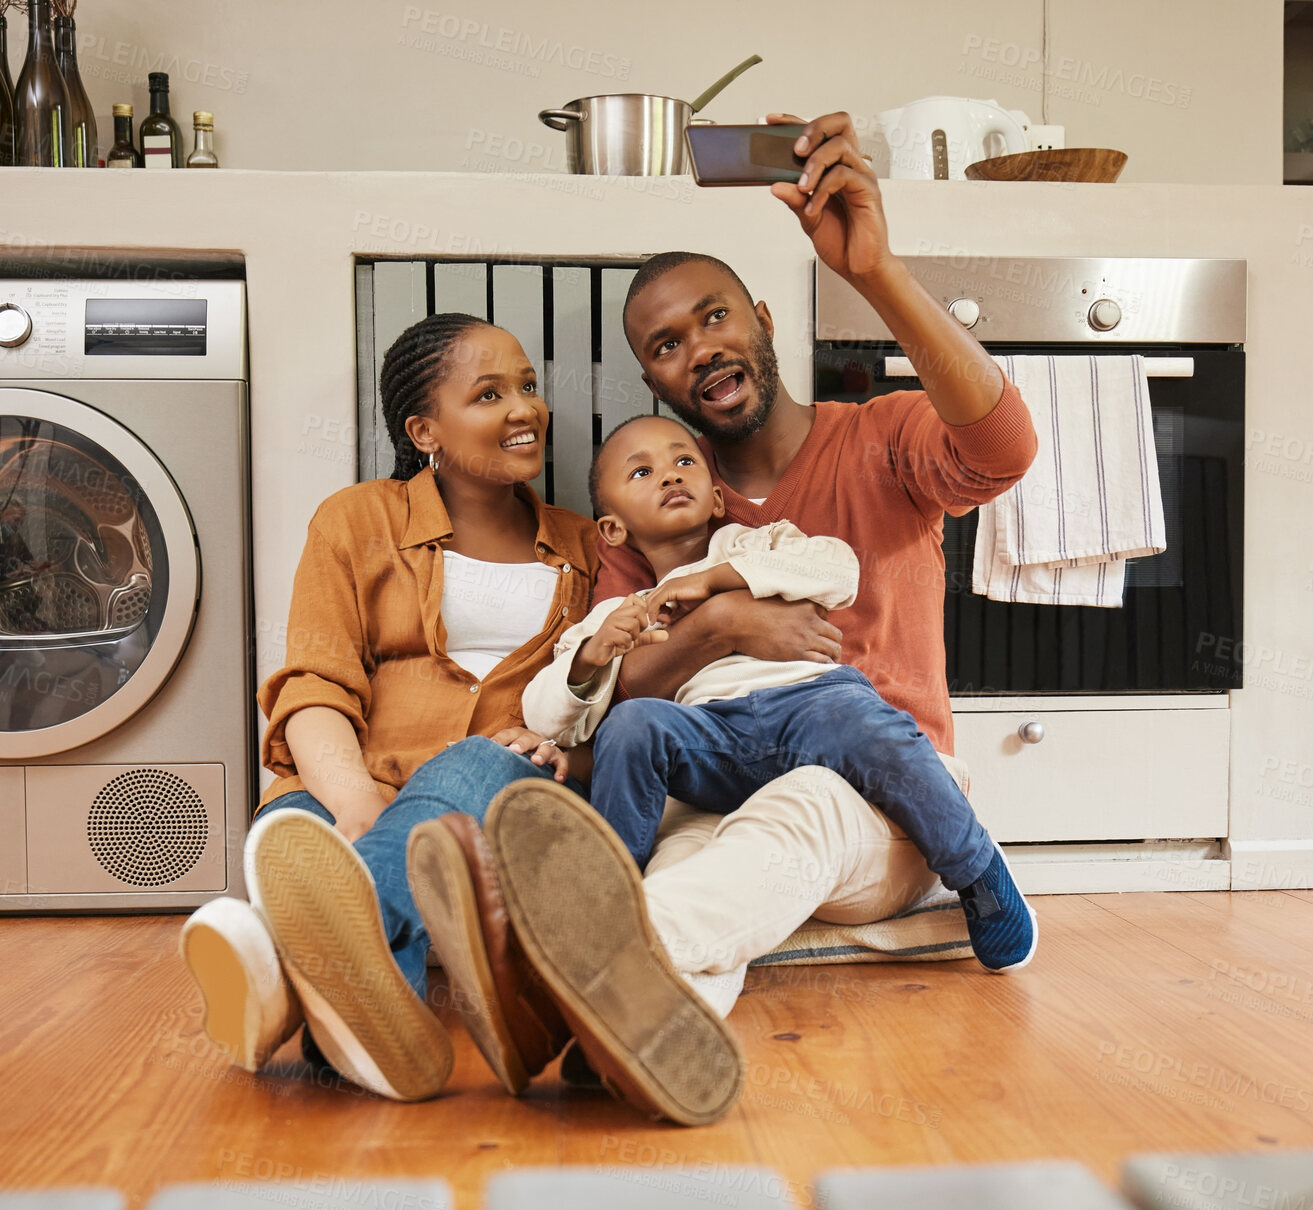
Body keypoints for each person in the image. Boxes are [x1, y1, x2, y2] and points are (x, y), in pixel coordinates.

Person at [412, 110, 1040, 1126]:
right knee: (695, 859)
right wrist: (717, 628)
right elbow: (621, 699)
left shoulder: (876, 440)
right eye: (665, 345)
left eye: (711, 318)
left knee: (802, 811)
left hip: (880, 794)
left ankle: (536, 962)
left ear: (758, 315)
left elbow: (1004, 448)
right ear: (652, 379)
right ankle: (630, 1044)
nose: (696, 349)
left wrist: (872, 272)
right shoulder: (655, 532)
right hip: (714, 791)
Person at [177, 311, 608, 1102]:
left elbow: (613, 698)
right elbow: (314, 684)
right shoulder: (357, 520)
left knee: (480, 759)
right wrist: (356, 804)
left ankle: (280, 979)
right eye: (488, 393)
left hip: (496, 790)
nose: (525, 409)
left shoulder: (587, 547)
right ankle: (380, 1033)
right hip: (353, 778)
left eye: (528, 387)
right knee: (292, 835)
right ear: (424, 429)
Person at [518, 412, 1036, 974]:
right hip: (712, 737)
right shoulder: (615, 615)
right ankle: (616, 891)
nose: (669, 476)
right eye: (642, 473)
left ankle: (976, 871)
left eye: (683, 461)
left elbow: (838, 570)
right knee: (634, 724)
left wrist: (719, 581)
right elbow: (546, 718)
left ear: (718, 500)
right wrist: (594, 654)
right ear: (613, 530)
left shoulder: (760, 542)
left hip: (811, 705)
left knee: (869, 726)